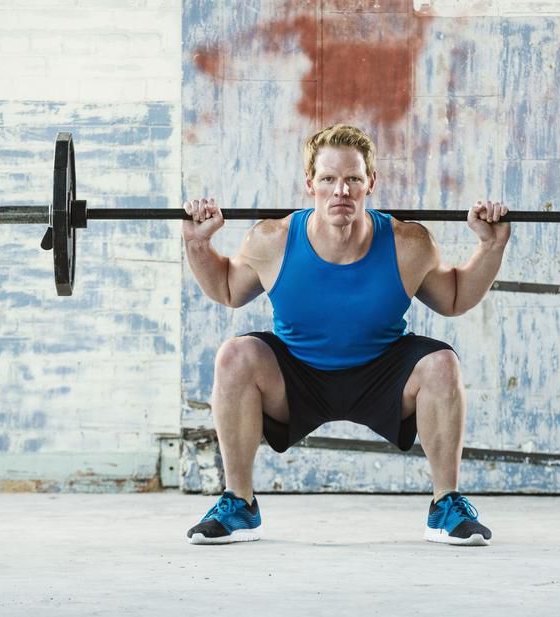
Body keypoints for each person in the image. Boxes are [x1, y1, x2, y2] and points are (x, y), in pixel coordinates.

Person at [181, 124, 510, 546]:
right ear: (310, 184)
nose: (341, 191)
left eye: (353, 179)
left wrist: (491, 247)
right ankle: (239, 503)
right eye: (329, 179)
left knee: (442, 364)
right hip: (297, 377)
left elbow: (457, 298)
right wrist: (197, 245)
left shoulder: (408, 243)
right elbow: (227, 290)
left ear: (370, 182)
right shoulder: (272, 240)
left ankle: (446, 504)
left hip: (382, 374)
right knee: (234, 356)